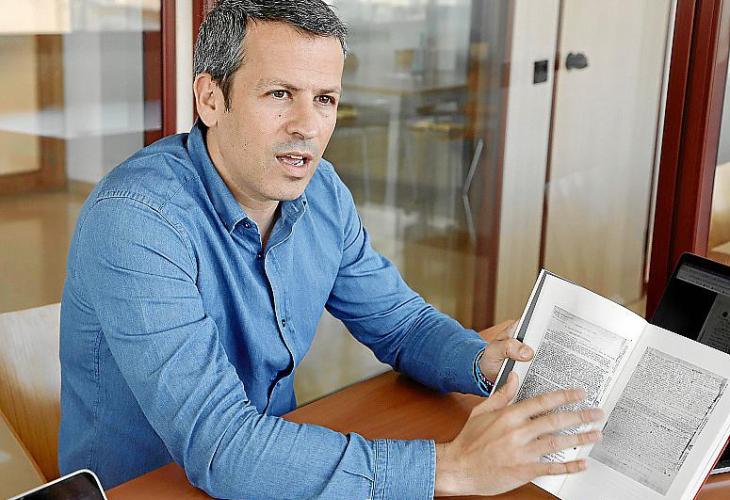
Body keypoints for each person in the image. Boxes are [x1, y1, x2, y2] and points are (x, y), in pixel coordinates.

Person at [58, 1, 603, 498]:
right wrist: (450, 467)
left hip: (276, 470)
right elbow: (221, 445)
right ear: (210, 99)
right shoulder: (136, 221)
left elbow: (400, 325)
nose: (307, 127)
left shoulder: (320, 192)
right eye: (279, 94)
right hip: (148, 487)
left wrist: (479, 361)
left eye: (324, 99)